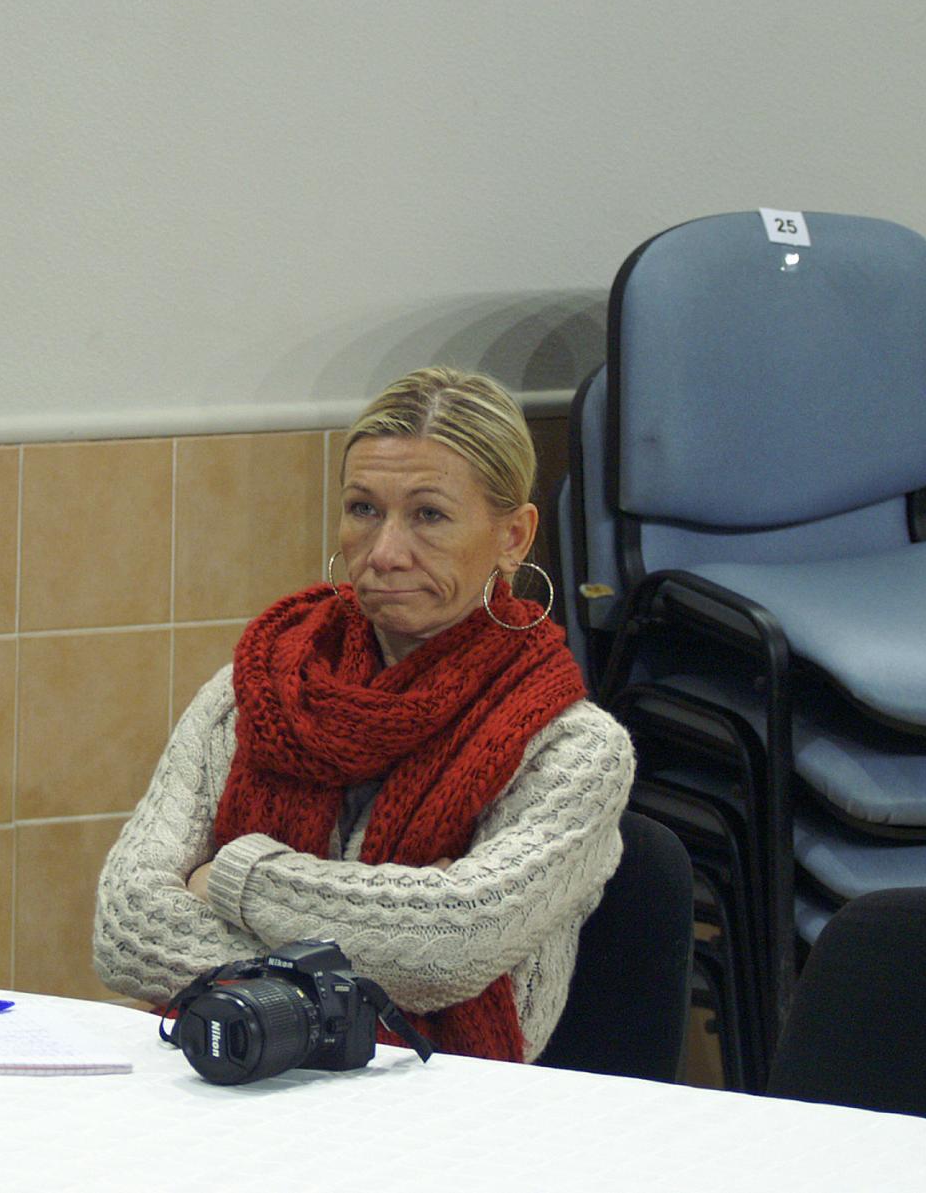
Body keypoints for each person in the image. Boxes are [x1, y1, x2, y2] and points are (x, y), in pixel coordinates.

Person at [92, 367, 633, 1062]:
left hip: (449, 1099)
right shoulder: (252, 694)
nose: (384, 552)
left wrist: (231, 877)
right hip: (232, 1066)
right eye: (364, 509)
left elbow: (449, 946)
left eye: (429, 515)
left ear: (514, 536)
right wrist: (391, 926)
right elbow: (127, 930)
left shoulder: (573, 750)